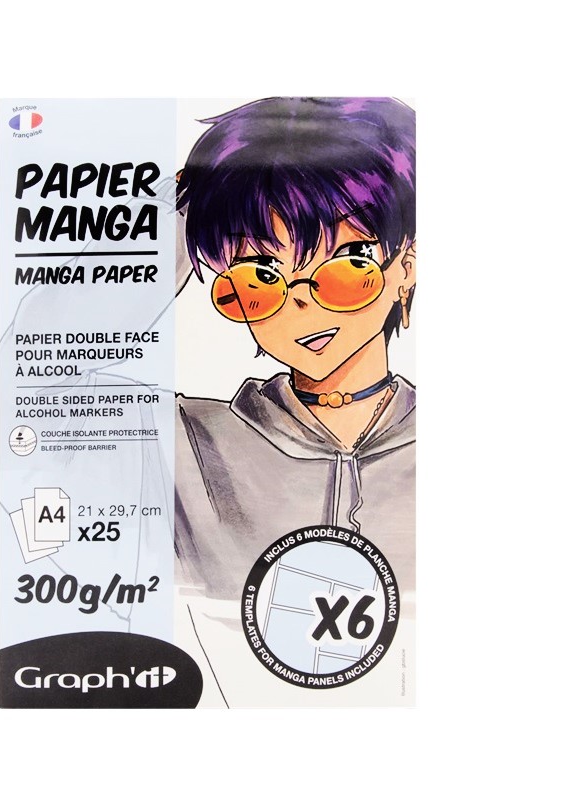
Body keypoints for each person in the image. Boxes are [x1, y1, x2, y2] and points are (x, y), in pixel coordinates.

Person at [173, 98, 416, 706]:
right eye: (259, 275)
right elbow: (58, 384)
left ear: (406, 267)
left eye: (348, 264)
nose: (300, 302)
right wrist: (182, 208)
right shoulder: (188, 443)